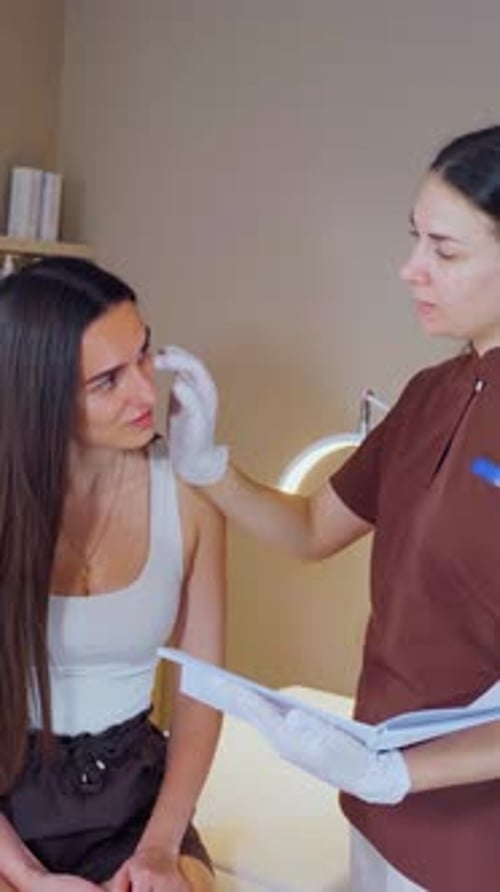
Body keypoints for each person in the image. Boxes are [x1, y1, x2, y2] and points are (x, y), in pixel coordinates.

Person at [156, 125, 500, 891]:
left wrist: (405, 772)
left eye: (445, 252)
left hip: (475, 838)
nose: (410, 269)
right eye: (415, 240)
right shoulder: (430, 394)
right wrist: (211, 468)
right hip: (378, 812)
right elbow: (312, 529)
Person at [0, 257, 226, 892]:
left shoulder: (190, 496)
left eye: (145, 355)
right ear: (40, 395)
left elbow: (202, 690)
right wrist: (24, 874)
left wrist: (159, 847)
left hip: (132, 797)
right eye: (108, 380)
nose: (146, 392)